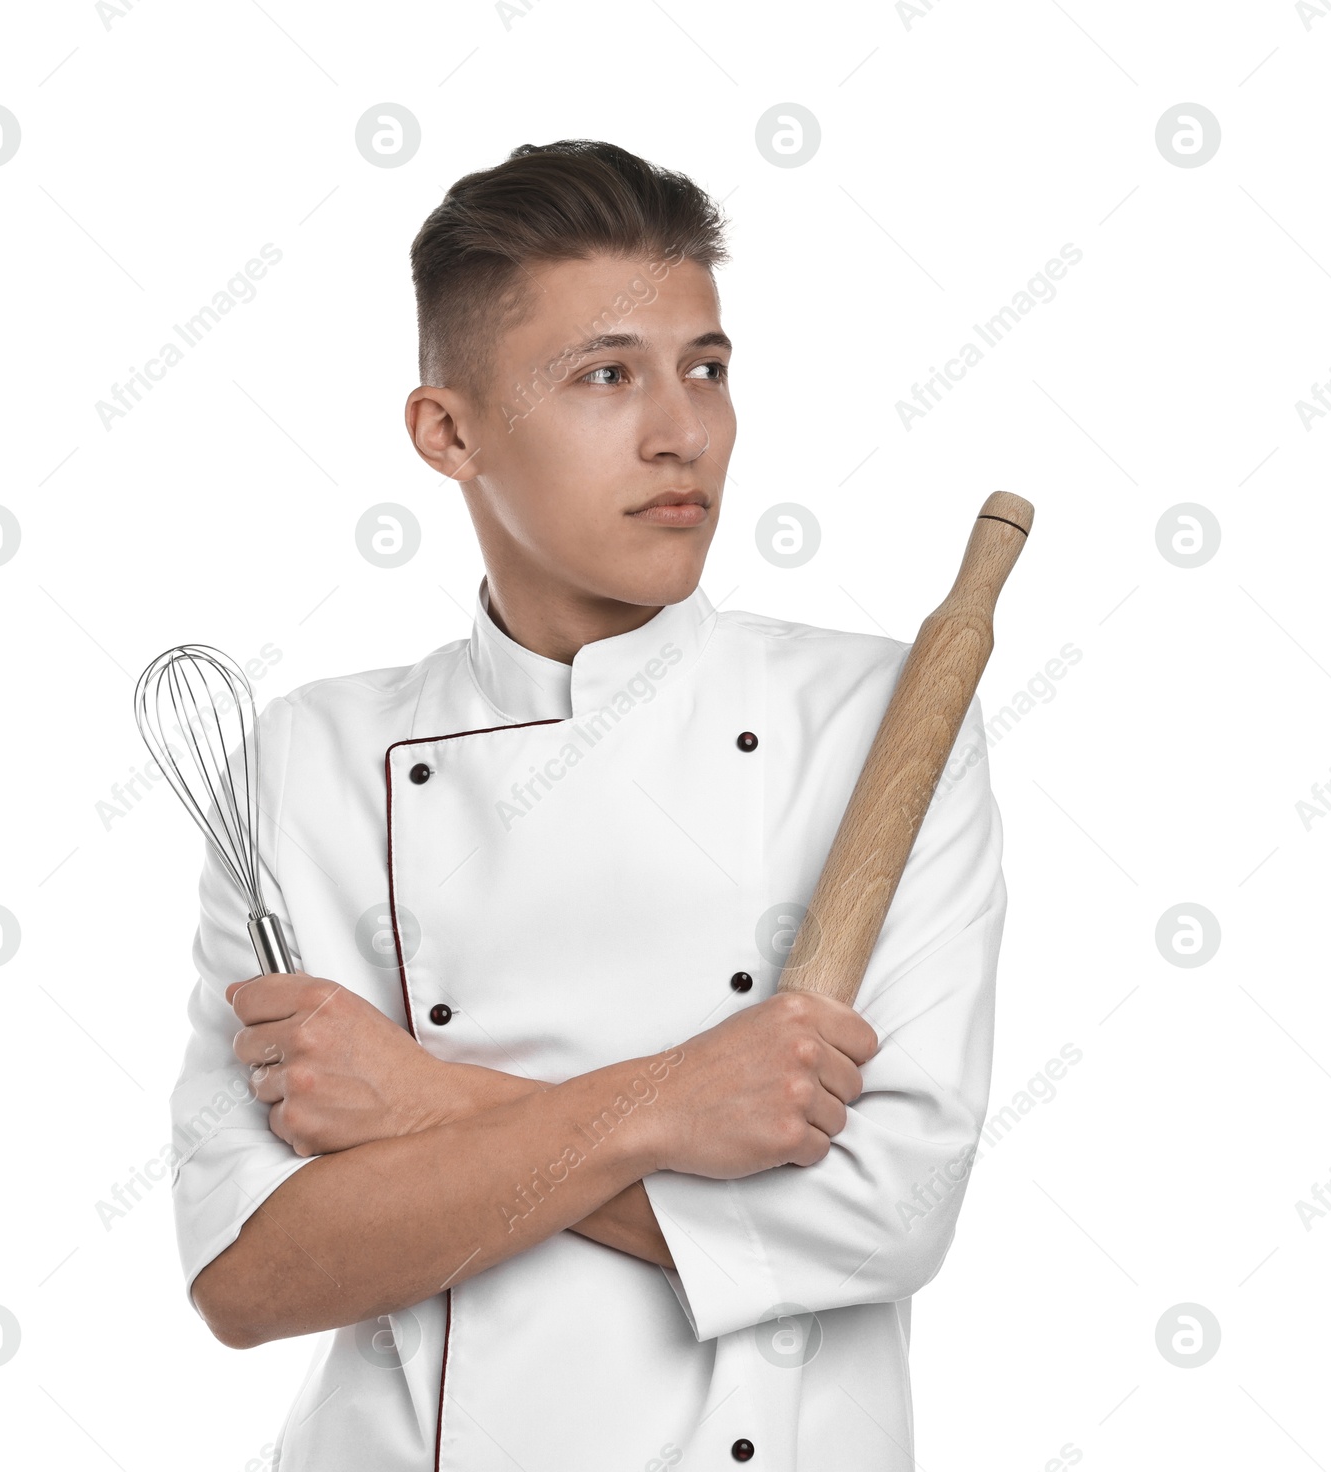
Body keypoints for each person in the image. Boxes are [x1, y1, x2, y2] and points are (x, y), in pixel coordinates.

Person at [169, 139, 1007, 1471]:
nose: (682, 431)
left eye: (708, 369)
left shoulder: (873, 724)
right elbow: (253, 1276)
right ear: (450, 432)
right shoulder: (314, 756)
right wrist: (680, 1103)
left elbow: (886, 1214)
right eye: (606, 375)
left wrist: (416, 1102)